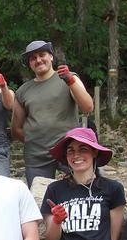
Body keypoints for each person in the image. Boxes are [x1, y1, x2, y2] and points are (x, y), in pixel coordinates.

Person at [12, 40, 94, 187]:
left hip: (68, 150)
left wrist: (70, 81)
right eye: (33, 58)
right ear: (29, 63)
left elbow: (87, 107)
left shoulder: (69, 77)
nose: (38, 60)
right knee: (40, 200)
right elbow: (16, 128)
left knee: (82, 191)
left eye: (42, 55)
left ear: (51, 57)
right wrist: (34, 139)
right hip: (36, 156)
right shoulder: (22, 91)